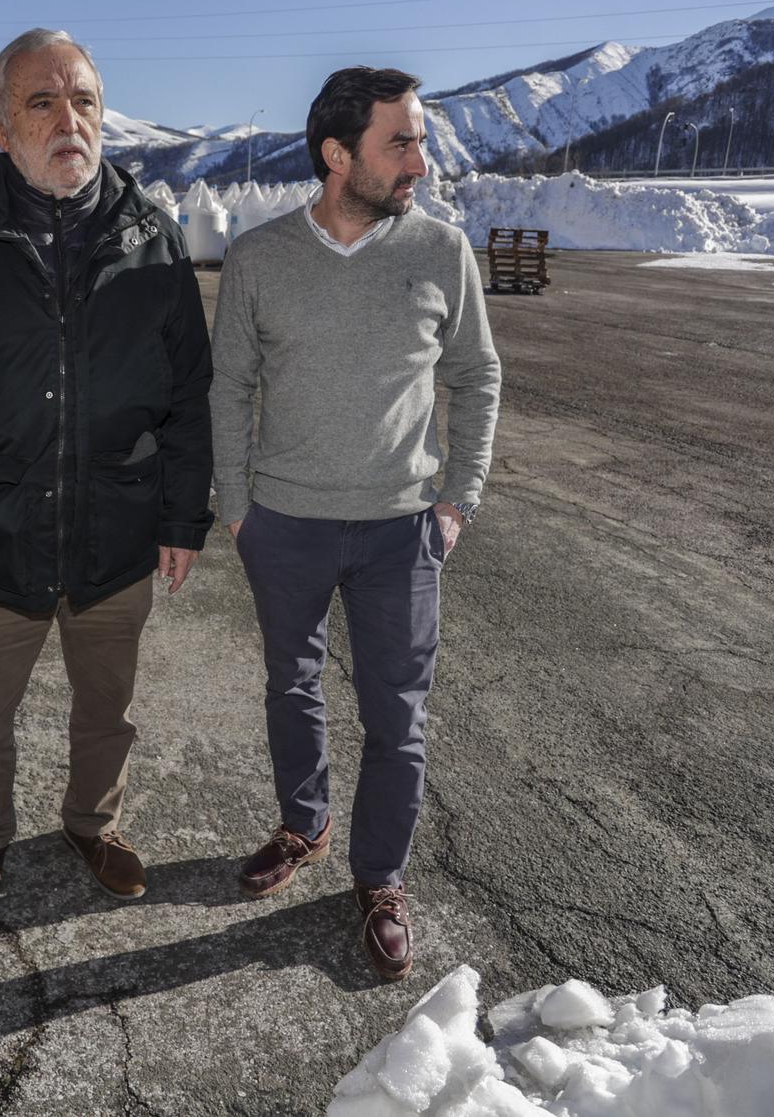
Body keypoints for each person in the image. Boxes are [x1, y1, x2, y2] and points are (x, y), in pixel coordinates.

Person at [0, 28, 213, 930]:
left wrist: (183, 517)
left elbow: (188, 392)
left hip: (118, 531)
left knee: (110, 706)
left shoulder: (154, 241)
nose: (70, 120)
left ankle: (92, 824)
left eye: (86, 101)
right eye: (43, 102)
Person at [210, 66, 501, 982]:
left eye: (420, 138)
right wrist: (235, 504)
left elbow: (476, 376)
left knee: (395, 717)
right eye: (400, 141)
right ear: (339, 156)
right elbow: (229, 386)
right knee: (289, 688)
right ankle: (303, 824)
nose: (420, 159)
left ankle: (379, 877)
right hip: (284, 524)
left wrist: (458, 498)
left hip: (399, 531)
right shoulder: (259, 258)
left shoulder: (442, 250)